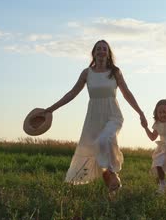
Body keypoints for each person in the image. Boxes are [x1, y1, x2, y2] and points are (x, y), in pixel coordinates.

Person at [43, 40, 148, 193]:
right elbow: (72, 93)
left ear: (108, 53)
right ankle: (112, 189)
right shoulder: (87, 73)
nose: (101, 51)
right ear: (93, 53)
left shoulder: (115, 72)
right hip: (93, 118)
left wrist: (140, 113)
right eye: (98, 49)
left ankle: (113, 173)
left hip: (113, 114)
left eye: (104, 49)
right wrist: (51, 109)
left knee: (105, 140)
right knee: (96, 151)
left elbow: (127, 93)